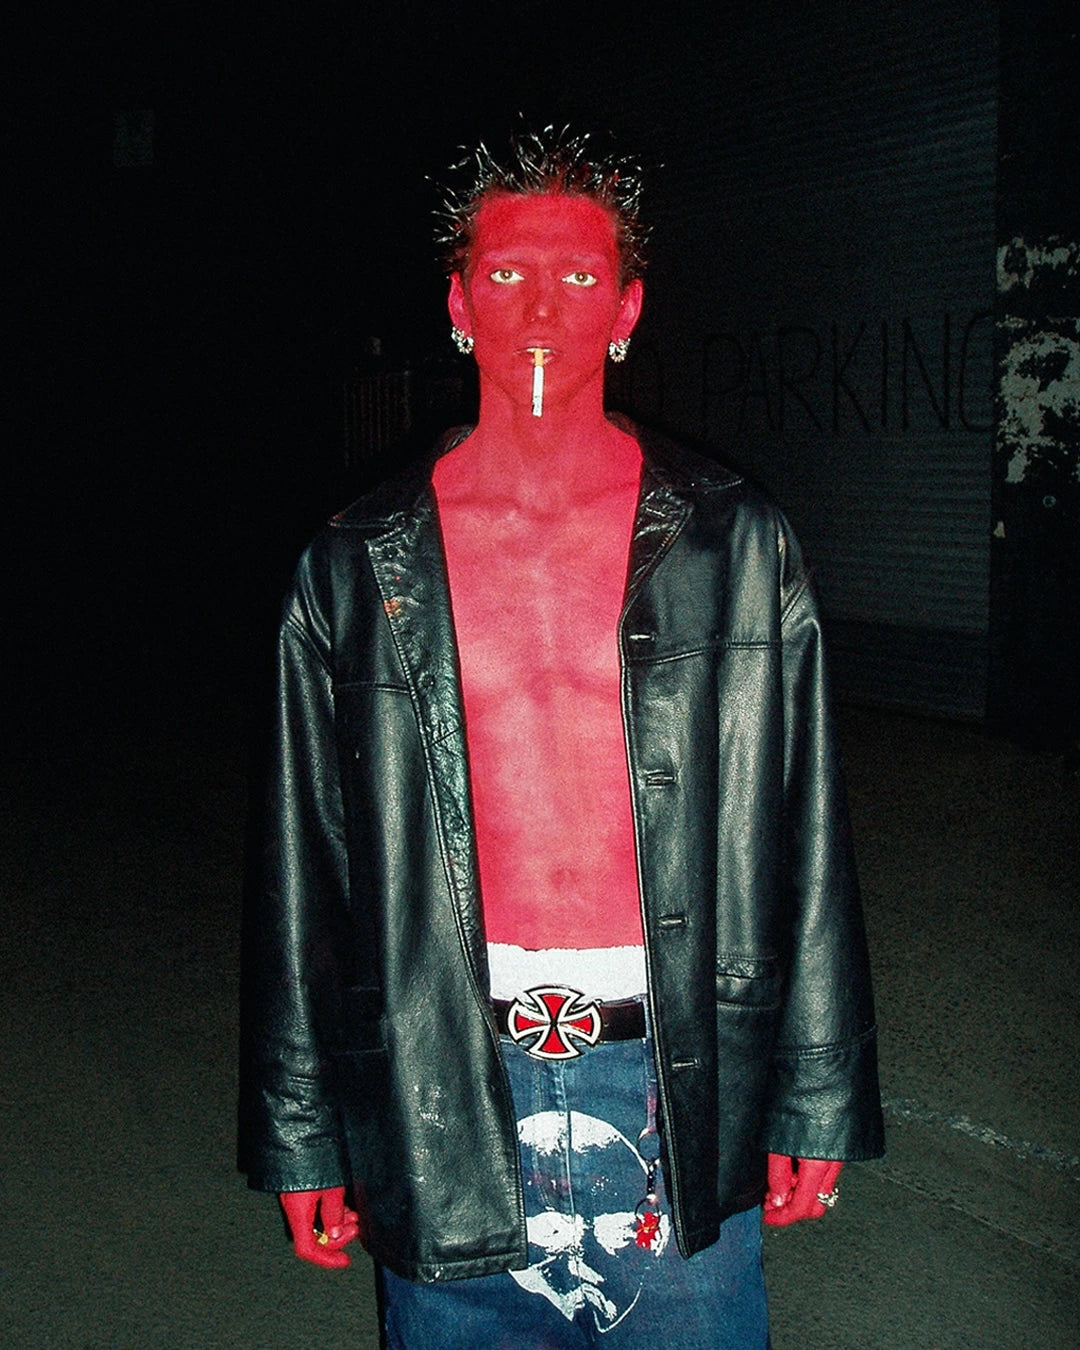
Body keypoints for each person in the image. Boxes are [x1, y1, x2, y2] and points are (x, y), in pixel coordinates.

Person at [239, 126, 884, 1348]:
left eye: (581, 275)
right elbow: (301, 866)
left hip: (674, 1074)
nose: (543, 307)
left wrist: (815, 1088)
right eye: (507, 273)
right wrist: (304, 1126)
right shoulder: (354, 562)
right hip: (440, 1078)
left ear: (628, 308)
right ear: (458, 303)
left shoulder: (733, 541)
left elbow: (804, 832)